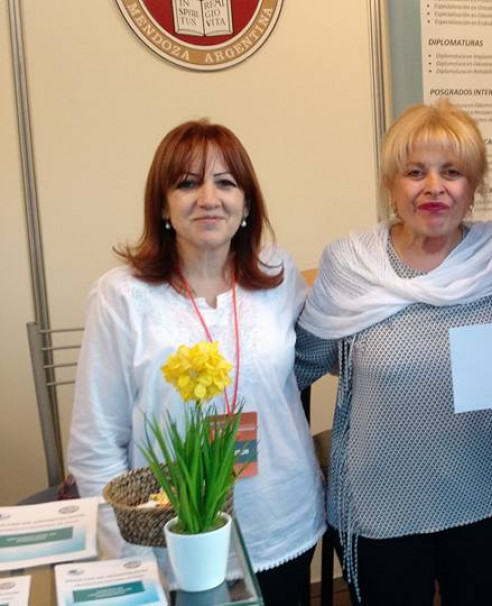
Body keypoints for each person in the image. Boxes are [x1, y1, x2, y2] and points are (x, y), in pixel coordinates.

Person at [66, 120, 325, 604]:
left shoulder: (279, 275)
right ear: (162, 205)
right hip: (170, 536)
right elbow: (95, 441)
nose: (209, 198)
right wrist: (127, 551)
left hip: (280, 520)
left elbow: (323, 344)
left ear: (247, 204)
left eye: (226, 183)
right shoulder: (121, 296)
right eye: (187, 183)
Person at [295, 100, 492, 606]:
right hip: (378, 507)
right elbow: (301, 362)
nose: (433, 187)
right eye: (414, 172)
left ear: (474, 186)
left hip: (488, 494)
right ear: (390, 184)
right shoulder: (350, 264)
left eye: (452, 172)